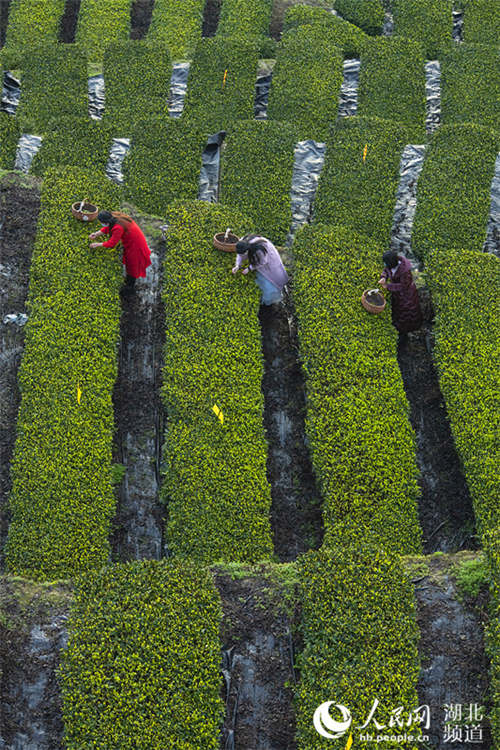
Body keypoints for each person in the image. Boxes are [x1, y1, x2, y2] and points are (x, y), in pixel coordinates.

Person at [89, 210, 151, 296]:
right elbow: (109, 227)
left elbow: (112, 243)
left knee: (133, 265)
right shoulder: (114, 216)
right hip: (134, 241)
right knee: (130, 263)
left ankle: (130, 287)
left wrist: (98, 244)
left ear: (106, 221)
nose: (101, 224)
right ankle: (128, 281)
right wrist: (97, 234)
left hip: (135, 245)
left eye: (102, 222)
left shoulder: (118, 228)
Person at [231, 234, 289, 305]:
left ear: (247, 251)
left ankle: (276, 298)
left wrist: (249, 268)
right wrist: (237, 265)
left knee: (273, 276)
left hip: (269, 257)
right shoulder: (241, 242)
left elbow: (262, 262)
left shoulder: (259, 250)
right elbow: (239, 256)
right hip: (258, 254)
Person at [378, 251, 422, 333]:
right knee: (398, 311)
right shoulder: (391, 264)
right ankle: (399, 327)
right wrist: (383, 277)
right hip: (397, 294)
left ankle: (408, 330)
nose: (384, 265)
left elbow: (404, 286)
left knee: (407, 313)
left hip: (407, 296)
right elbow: (386, 269)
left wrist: (388, 286)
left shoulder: (405, 271)